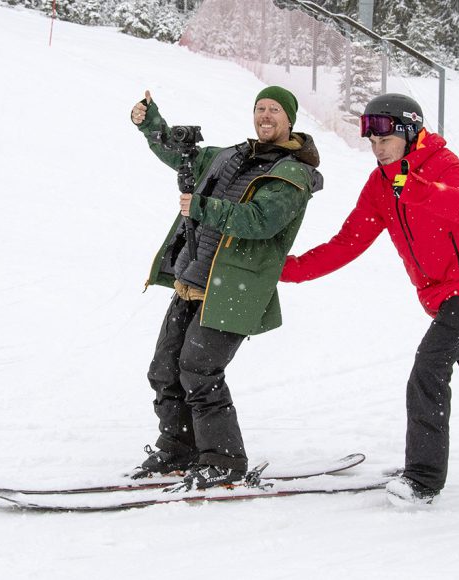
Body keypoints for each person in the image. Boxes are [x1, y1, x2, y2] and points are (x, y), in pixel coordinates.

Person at [281, 93, 459, 505]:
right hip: (443, 292)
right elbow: (347, 242)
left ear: (409, 132)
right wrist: (287, 270)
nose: (377, 149)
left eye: (385, 140)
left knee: (428, 370)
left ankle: (423, 480)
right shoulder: (381, 184)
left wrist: (413, 187)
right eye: (372, 142)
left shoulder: (441, 165)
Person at [128, 86, 323, 490]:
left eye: (274, 110)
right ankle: (179, 449)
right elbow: (180, 156)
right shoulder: (229, 155)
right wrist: (151, 124)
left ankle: (224, 461)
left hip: (234, 288)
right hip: (191, 279)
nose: (265, 116)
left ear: (290, 120)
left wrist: (203, 207)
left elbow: (261, 220)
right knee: (164, 371)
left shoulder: (292, 175)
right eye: (260, 109)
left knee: (199, 372)